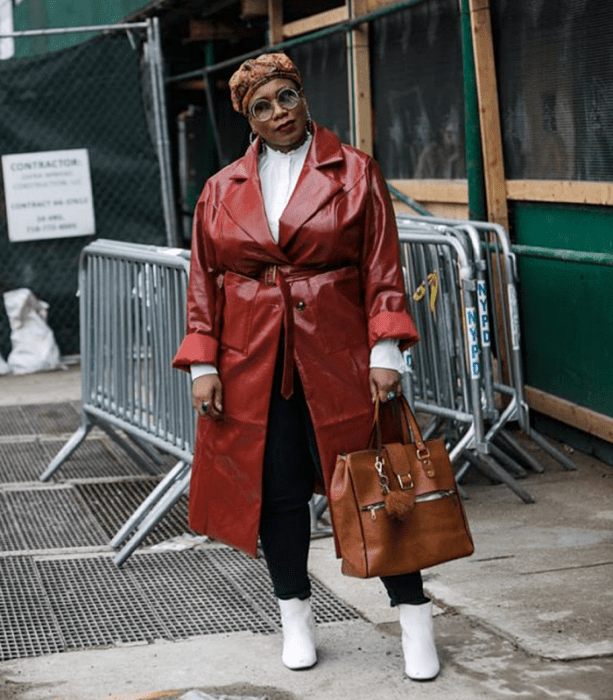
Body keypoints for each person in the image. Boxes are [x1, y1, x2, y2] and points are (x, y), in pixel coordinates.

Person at [173, 52, 440, 681]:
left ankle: (414, 618)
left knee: (379, 488)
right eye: (262, 107)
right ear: (249, 118)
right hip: (250, 362)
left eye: (285, 98)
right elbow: (205, 281)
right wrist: (201, 362)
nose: (278, 115)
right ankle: (294, 614)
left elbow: (382, 268)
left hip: (339, 353)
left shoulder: (354, 171)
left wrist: (384, 350)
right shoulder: (221, 188)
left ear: (303, 95)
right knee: (277, 493)